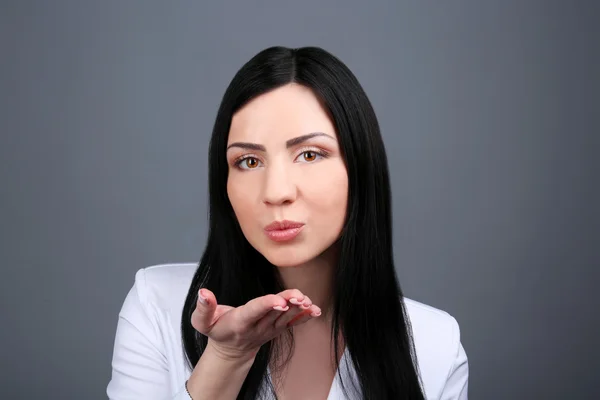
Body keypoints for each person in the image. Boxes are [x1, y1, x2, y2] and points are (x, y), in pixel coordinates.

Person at [106, 46, 469, 400]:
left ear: (360, 168)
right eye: (248, 161)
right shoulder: (156, 305)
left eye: (310, 154)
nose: (276, 191)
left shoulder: (434, 343)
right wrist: (225, 359)